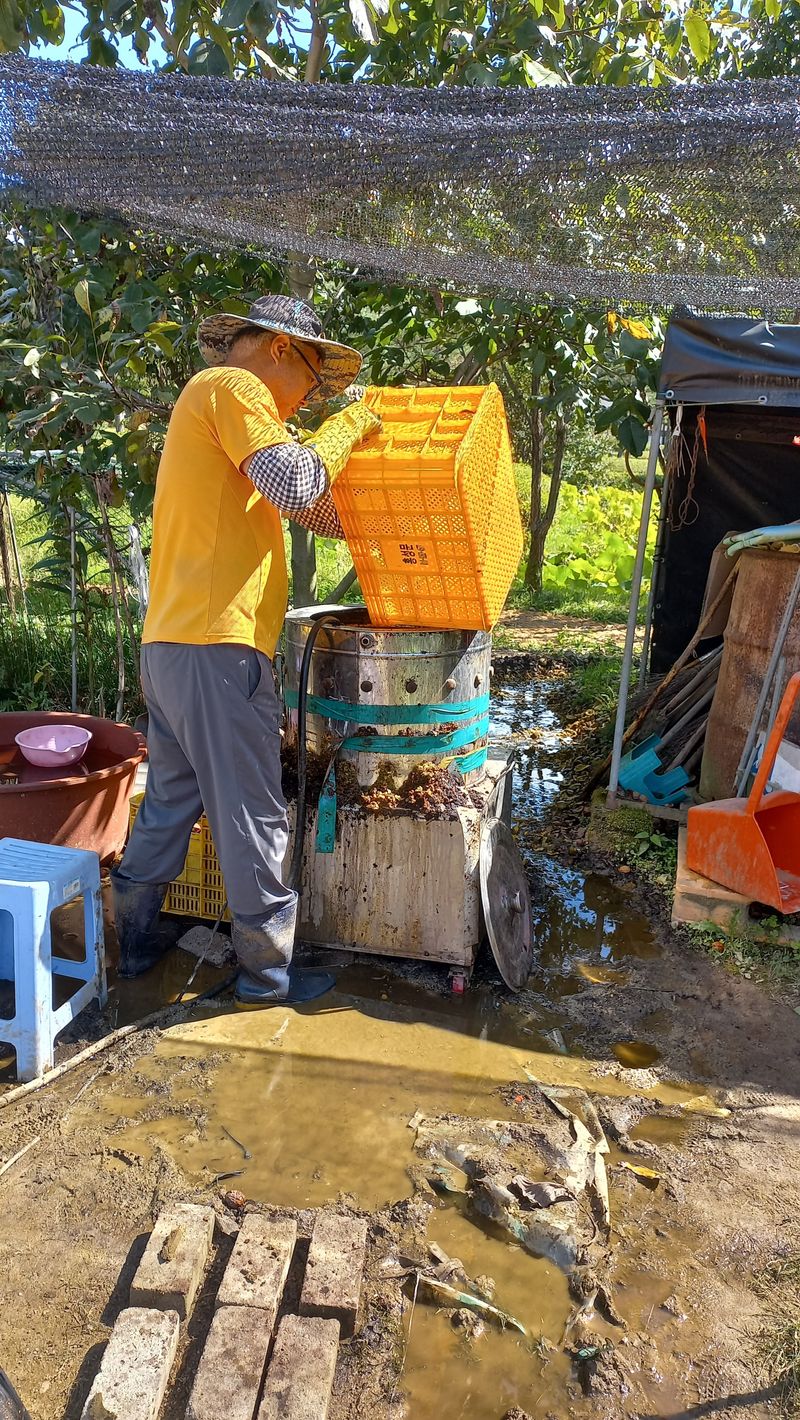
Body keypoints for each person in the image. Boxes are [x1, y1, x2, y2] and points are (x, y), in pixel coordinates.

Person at [111, 294, 381, 1006]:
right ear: (281, 350)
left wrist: (374, 513)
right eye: (314, 382)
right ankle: (265, 978)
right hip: (216, 647)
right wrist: (351, 423)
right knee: (253, 811)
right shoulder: (232, 386)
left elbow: (310, 506)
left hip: (174, 647)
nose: (309, 402)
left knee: (173, 799)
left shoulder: (218, 413)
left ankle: (135, 945)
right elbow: (296, 480)